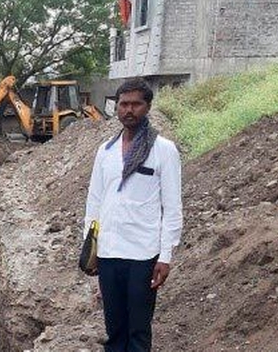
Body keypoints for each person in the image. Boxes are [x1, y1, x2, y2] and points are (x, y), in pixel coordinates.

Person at [84, 79, 183, 352]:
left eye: (136, 104)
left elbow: (172, 208)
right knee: (114, 330)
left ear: (147, 107)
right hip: (109, 253)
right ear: (116, 108)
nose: (129, 110)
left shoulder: (163, 150)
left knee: (138, 331)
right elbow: (95, 201)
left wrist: (165, 256)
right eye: (124, 104)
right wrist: (90, 247)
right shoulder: (106, 152)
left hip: (142, 254)